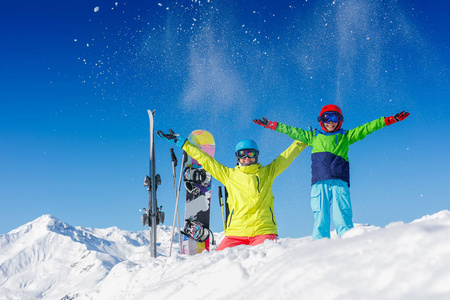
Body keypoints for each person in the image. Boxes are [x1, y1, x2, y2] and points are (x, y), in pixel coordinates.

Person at [253, 105, 410, 240]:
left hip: (340, 181)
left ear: (339, 120)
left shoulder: (346, 136)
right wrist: (271, 125)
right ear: (321, 120)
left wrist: (389, 120)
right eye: (326, 118)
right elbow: (291, 131)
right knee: (320, 216)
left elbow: (367, 128)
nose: (330, 122)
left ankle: (348, 241)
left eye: (334, 118)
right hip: (319, 183)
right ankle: (320, 245)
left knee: (342, 214)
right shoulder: (313, 137)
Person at [157, 129, 307, 250]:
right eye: (242, 154)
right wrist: (184, 144)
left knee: (263, 266)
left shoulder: (268, 172)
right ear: (237, 157)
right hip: (236, 233)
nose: (247, 157)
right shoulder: (229, 175)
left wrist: (303, 140)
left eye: (251, 153)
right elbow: (206, 160)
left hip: (263, 231)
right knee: (217, 264)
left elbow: (286, 157)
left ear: (257, 156)